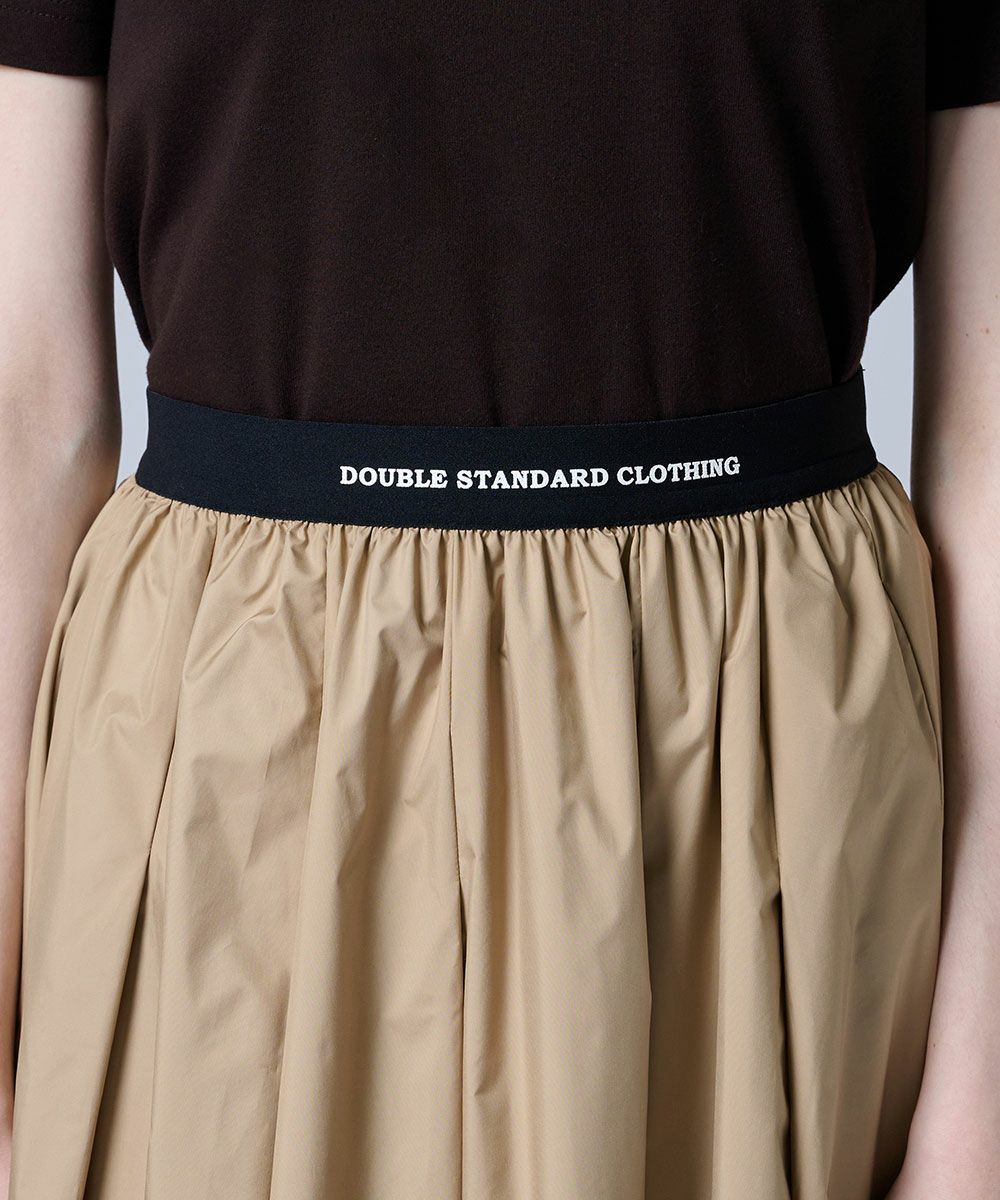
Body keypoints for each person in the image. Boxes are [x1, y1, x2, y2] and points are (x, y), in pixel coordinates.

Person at [0, 3, 997, 1197]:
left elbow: (988, 449)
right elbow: (29, 414)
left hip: (750, 766)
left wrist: (977, 1122)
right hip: (235, 758)